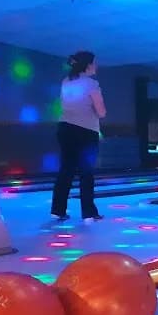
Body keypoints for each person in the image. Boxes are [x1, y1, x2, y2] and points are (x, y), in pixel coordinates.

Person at [51, 51, 106, 223]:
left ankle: (57, 210)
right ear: (88, 65)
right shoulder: (92, 84)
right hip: (86, 131)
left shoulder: (66, 81)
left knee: (66, 170)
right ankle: (88, 213)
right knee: (86, 172)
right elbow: (101, 112)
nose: (96, 66)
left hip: (65, 128)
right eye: (94, 63)